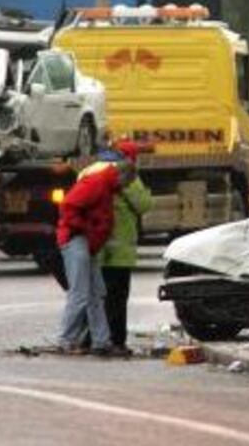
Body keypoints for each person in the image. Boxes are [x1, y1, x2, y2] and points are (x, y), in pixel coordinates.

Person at [54, 152, 124, 356]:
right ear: (121, 177)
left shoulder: (105, 185)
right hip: (76, 240)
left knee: (95, 293)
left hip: (83, 242)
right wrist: (86, 229)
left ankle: (101, 341)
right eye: (126, 184)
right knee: (81, 293)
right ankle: (66, 340)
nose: (126, 189)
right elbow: (68, 206)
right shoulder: (98, 184)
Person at [97, 139, 153, 356]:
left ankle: (95, 338)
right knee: (118, 298)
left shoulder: (93, 171)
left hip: (98, 246)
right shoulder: (127, 176)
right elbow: (144, 205)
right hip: (120, 251)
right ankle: (117, 342)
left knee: (98, 296)